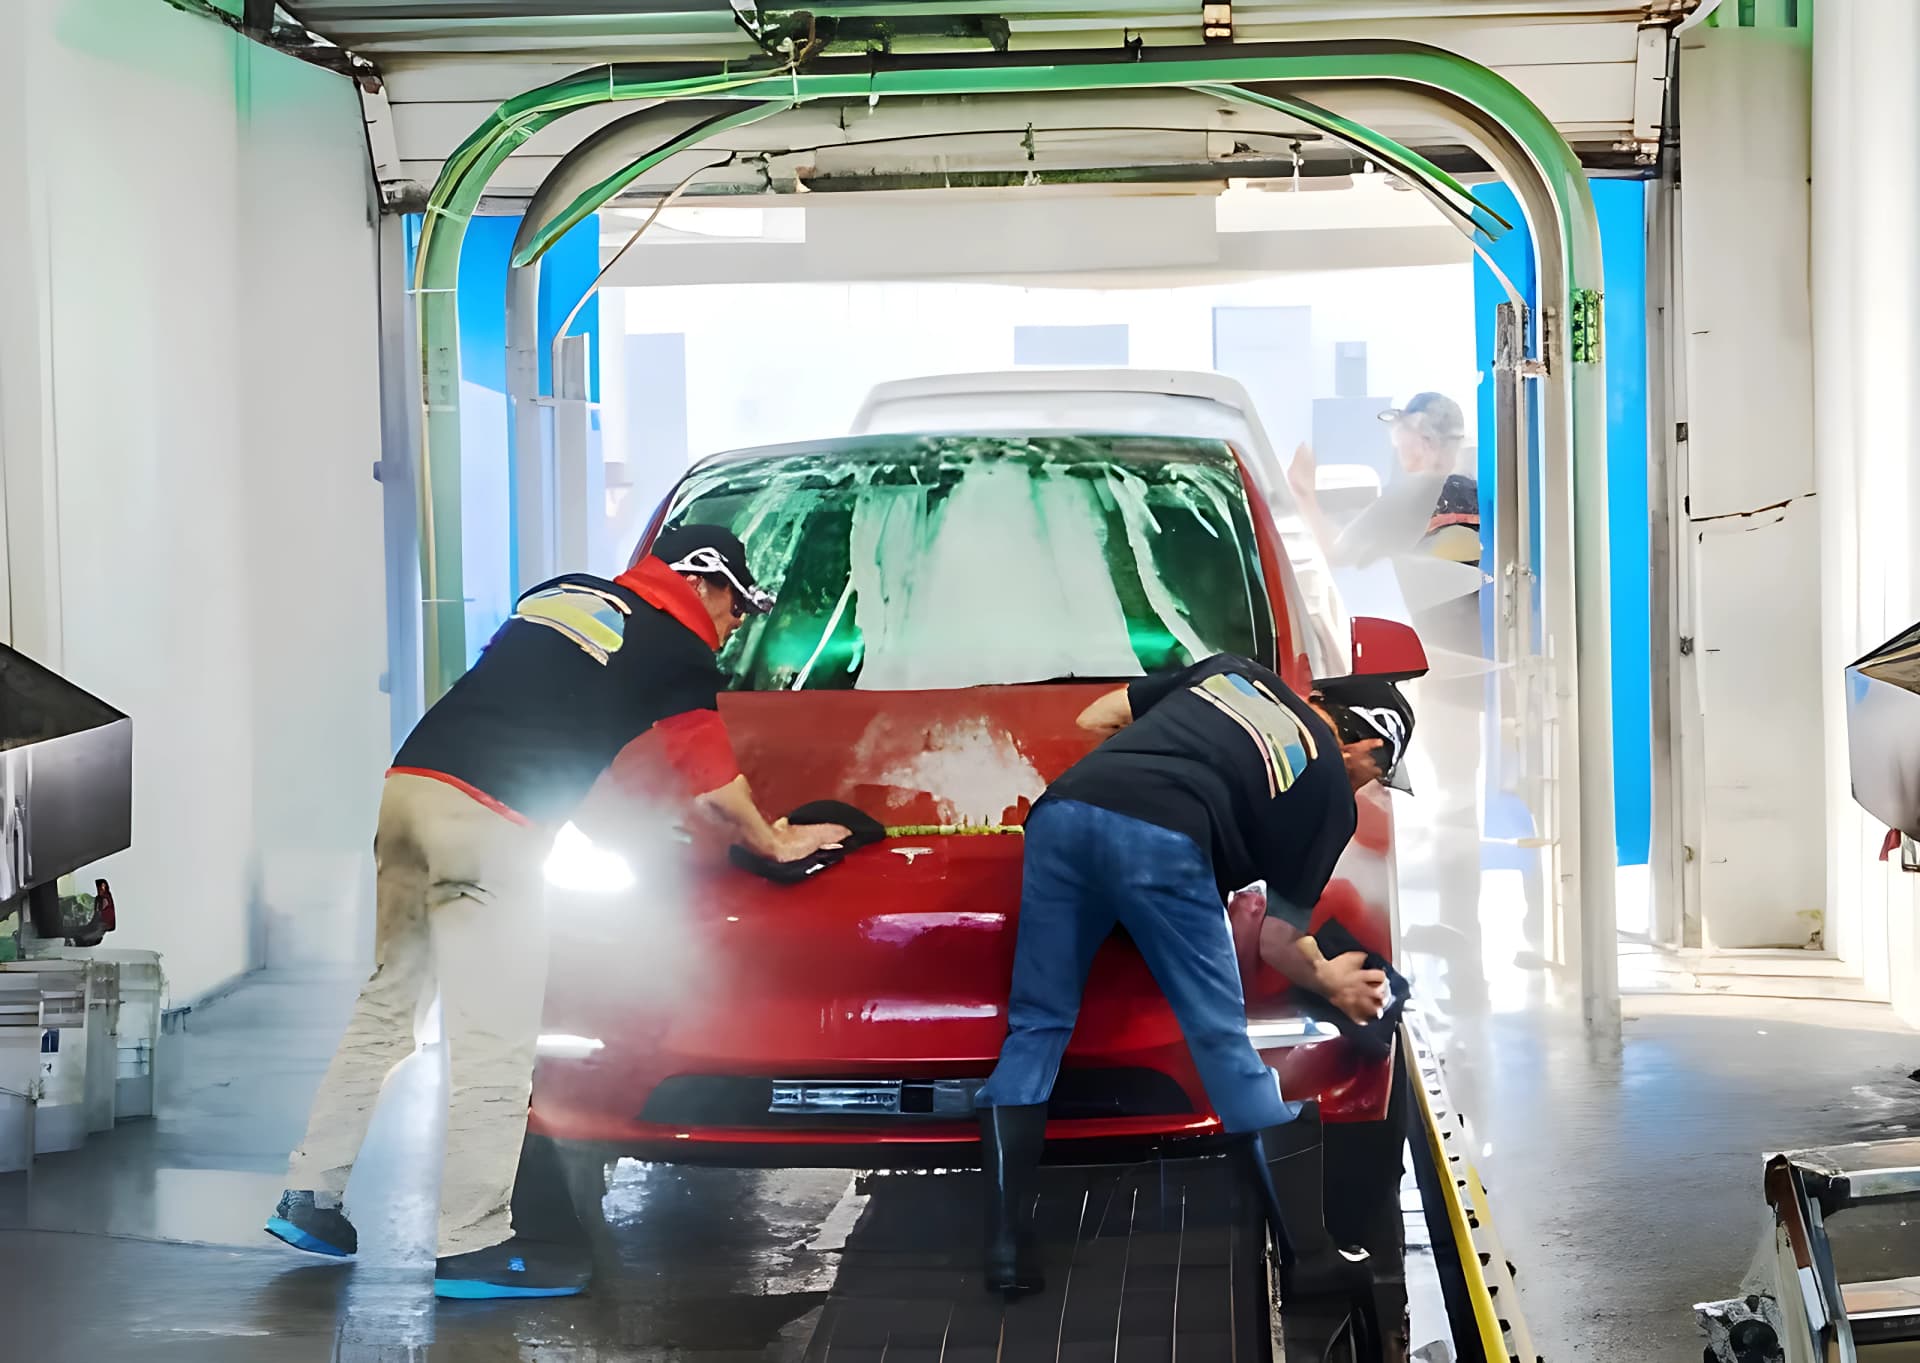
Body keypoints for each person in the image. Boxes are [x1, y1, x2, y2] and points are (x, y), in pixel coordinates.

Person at [266, 524, 847, 1300]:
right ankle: (472, 1245)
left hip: (411, 788)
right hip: (491, 823)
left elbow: (536, 714)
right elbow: (712, 782)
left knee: (388, 1003)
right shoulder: (678, 644)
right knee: (497, 1041)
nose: (738, 620)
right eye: (738, 603)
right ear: (702, 580)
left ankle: (311, 1193)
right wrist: (775, 841)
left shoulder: (562, 596)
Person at [972, 653, 1410, 1300]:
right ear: (1367, 745)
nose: (1370, 786)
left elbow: (1099, 715)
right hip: (1165, 842)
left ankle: (1006, 1249)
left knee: (1037, 1026)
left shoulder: (1235, 672)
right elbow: (1279, 942)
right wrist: (1333, 981)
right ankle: (1311, 1257)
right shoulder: (1326, 797)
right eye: (1379, 774)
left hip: (1064, 814)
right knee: (1223, 1042)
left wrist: (1134, 796)